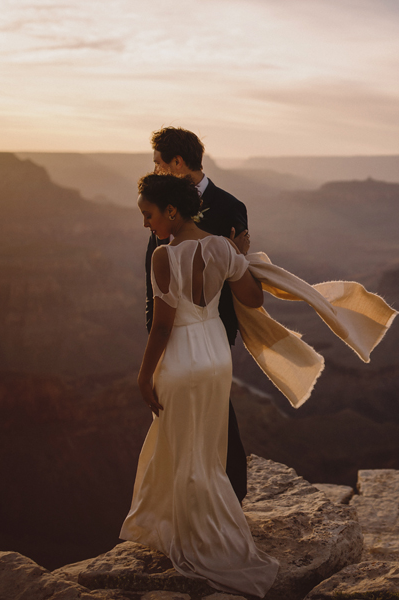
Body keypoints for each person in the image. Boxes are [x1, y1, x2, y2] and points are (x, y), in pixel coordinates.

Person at [121, 173, 278, 596]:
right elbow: (253, 299)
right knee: (208, 449)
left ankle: (194, 536)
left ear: (171, 211)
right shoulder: (223, 248)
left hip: (183, 359)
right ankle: (215, 527)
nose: (146, 224)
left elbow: (163, 326)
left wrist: (143, 374)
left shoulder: (162, 256)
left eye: (148, 215)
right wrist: (239, 258)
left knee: (180, 448)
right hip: (216, 357)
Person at [145, 127, 251, 503]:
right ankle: (189, 502)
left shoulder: (228, 206)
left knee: (217, 416)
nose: (155, 169)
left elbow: (238, 269)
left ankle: (229, 498)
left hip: (209, 331)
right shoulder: (163, 202)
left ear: (176, 162)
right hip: (171, 327)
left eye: (158, 163)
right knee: (181, 422)